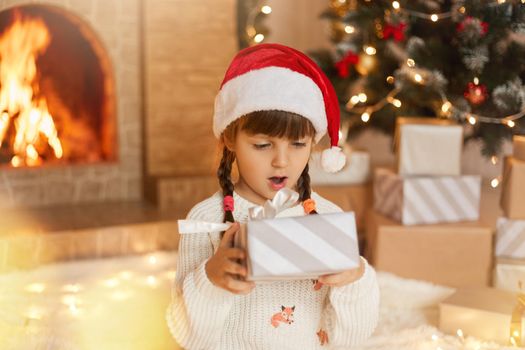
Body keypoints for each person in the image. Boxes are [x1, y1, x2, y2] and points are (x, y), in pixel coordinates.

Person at [166, 43, 379, 350]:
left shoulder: (326, 217)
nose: (282, 161)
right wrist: (211, 279)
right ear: (229, 138)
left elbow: (349, 339)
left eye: (297, 145)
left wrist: (355, 278)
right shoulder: (207, 221)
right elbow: (190, 338)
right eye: (263, 145)